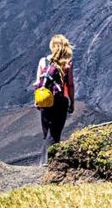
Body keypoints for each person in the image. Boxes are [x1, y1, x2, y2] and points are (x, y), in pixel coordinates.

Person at [34, 34, 75, 165]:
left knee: (47, 133)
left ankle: (45, 162)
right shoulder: (67, 64)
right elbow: (70, 84)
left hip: (45, 101)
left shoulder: (43, 61)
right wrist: (72, 102)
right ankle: (48, 163)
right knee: (55, 133)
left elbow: (37, 83)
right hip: (60, 101)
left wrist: (37, 100)